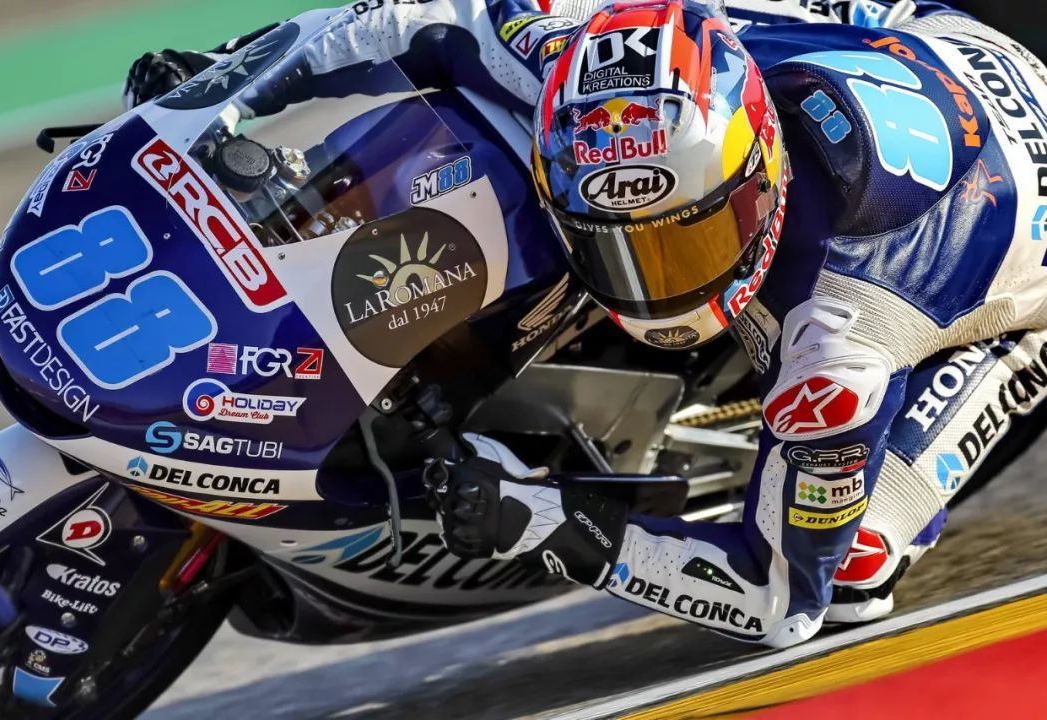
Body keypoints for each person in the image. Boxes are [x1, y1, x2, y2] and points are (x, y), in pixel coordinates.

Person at [126, 0, 1047, 647]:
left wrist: (543, 520)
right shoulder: (589, 76)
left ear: (759, 179)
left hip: (1011, 263)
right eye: (616, 244)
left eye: (686, 242)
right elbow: (414, 16)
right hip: (917, 38)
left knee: (851, 574)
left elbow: (780, 602)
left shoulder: (838, 343)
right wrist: (228, 85)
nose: (649, 286)